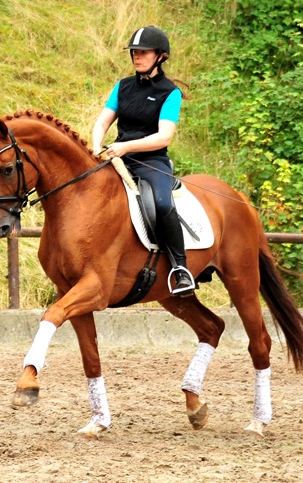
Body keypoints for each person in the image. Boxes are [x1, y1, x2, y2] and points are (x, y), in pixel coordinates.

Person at [92, 25, 195, 296]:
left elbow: (164, 137)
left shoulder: (169, 92)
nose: (137, 57)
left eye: (144, 52)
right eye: (135, 52)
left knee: (162, 204)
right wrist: (94, 145)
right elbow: (103, 121)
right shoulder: (123, 86)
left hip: (151, 162)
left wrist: (126, 146)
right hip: (117, 157)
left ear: (160, 56)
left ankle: (180, 268)